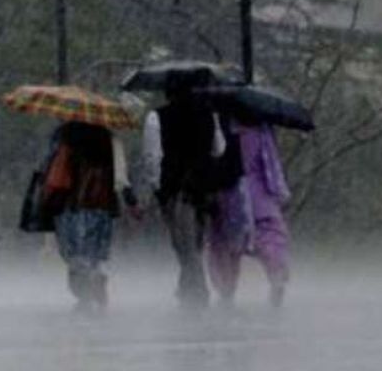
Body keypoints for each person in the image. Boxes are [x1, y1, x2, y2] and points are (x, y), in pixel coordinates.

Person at [142, 74, 241, 309]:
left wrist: (156, 185)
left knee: (184, 244)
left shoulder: (157, 117)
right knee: (195, 241)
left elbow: (152, 156)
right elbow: (219, 149)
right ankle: (186, 290)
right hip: (203, 188)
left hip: (175, 188)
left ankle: (197, 293)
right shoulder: (209, 114)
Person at [41, 121, 140, 312]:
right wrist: (132, 202)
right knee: (96, 254)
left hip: (71, 206)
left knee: (75, 255)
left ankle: (84, 297)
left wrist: (46, 202)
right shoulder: (109, 137)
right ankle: (97, 278)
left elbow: (52, 173)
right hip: (103, 207)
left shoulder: (63, 134)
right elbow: (120, 177)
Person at [206, 117, 291, 307]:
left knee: (224, 245)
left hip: (229, 193)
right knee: (270, 238)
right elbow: (270, 163)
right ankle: (276, 276)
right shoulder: (261, 129)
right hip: (259, 194)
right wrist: (279, 191)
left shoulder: (219, 125)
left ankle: (226, 290)